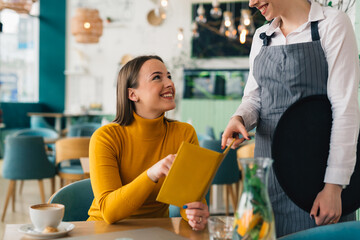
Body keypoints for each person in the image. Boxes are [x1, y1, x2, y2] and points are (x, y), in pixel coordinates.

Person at [221, 0, 360, 237]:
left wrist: (334, 186)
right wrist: (240, 118)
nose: (251, 3)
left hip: (316, 176)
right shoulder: (261, 36)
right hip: (268, 177)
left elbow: (345, 108)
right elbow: (254, 98)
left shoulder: (332, 24)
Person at [87, 55, 209, 231]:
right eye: (157, 77)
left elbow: (189, 200)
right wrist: (151, 173)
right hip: (104, 230)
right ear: (132, 94)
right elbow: (109, 211)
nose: (169, 83)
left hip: (156, 231)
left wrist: (195, 214)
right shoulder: (106, 137)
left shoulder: (184, 133)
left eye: (169, 76)